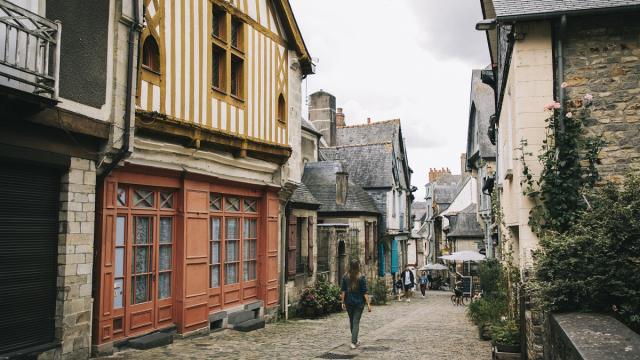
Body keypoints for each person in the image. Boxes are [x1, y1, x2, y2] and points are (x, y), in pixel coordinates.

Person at [340, 259, 372, 349]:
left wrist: (342, 302)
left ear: (350, 266)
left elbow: (343, 290)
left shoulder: (345, 277)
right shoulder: (361, 277)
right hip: (359, 303)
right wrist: (368, 304)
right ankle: (354, 342)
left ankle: (355, 340)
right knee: (356, 322)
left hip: (349, 302)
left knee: (352, 321)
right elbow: (364, 292)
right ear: (358, 266)